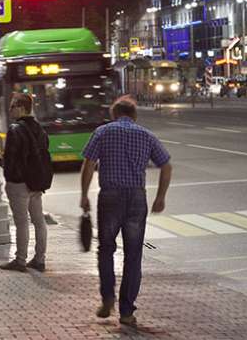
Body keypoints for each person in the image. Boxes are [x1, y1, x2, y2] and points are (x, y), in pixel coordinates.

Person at [79, 97, 172, 326]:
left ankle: (107, 297)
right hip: (137, 199)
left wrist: (84, 195)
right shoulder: (146, 135)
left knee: (106, 248)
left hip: (109, 197)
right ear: (134, 115)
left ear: (114, 114)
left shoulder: (102, 132)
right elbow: (166, 165)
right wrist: (160, 197)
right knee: (133, 255)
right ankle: (127, 312)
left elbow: (89, 164)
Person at [0, 93, 49, 273]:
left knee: (21, 222)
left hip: (19, 184)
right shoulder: (40, 129)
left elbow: (10, 159)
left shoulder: (15, 129)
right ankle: (40, 259)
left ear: (21, 107)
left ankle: (20, 260)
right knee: (39, 220)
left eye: (12, 106)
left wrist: (10, 178)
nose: (10, 110)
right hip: (36, 182)